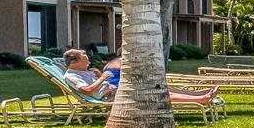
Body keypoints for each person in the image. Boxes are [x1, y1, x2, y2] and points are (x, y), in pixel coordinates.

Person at [59, 49, 221, 108]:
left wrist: (98, 75)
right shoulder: (71, 76)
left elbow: (99, 83)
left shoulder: (84, 71)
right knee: (156, 94)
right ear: (74, 62)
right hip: (109, 96)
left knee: (158, 89)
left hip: (114, 90)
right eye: (84, 57)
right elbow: (87, 90)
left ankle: (199, 95)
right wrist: (102, 79)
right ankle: (201, 99)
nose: (88, 58)